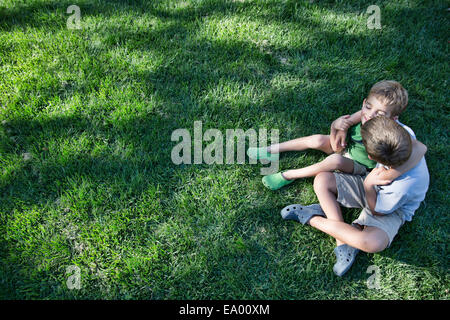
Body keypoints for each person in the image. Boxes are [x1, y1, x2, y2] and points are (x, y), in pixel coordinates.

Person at [280, 116, 429, 276]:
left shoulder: (403, 187)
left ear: (370, 157)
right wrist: (338, 126)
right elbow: (421, 147)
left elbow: (377, 210)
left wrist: (368, 185)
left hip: (391, 208)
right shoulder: (402, 133)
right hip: (372, 180)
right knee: (323, 180)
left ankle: (312, 218)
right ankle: (343, 242)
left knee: (372, 243)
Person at [247, 80, 427, 190]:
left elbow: (420, 149)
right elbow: (346, 124)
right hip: (345, 147)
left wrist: (390, 175)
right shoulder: (366, 113)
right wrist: (338, 125)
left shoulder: (394, 133)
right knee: (317, 139)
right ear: (365, 103)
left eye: (380, 114)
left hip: (360, 166)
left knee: (335, 161)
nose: (370, 115)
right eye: (368, 106)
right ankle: (270, 149)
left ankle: (288, 175)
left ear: (393, 119)